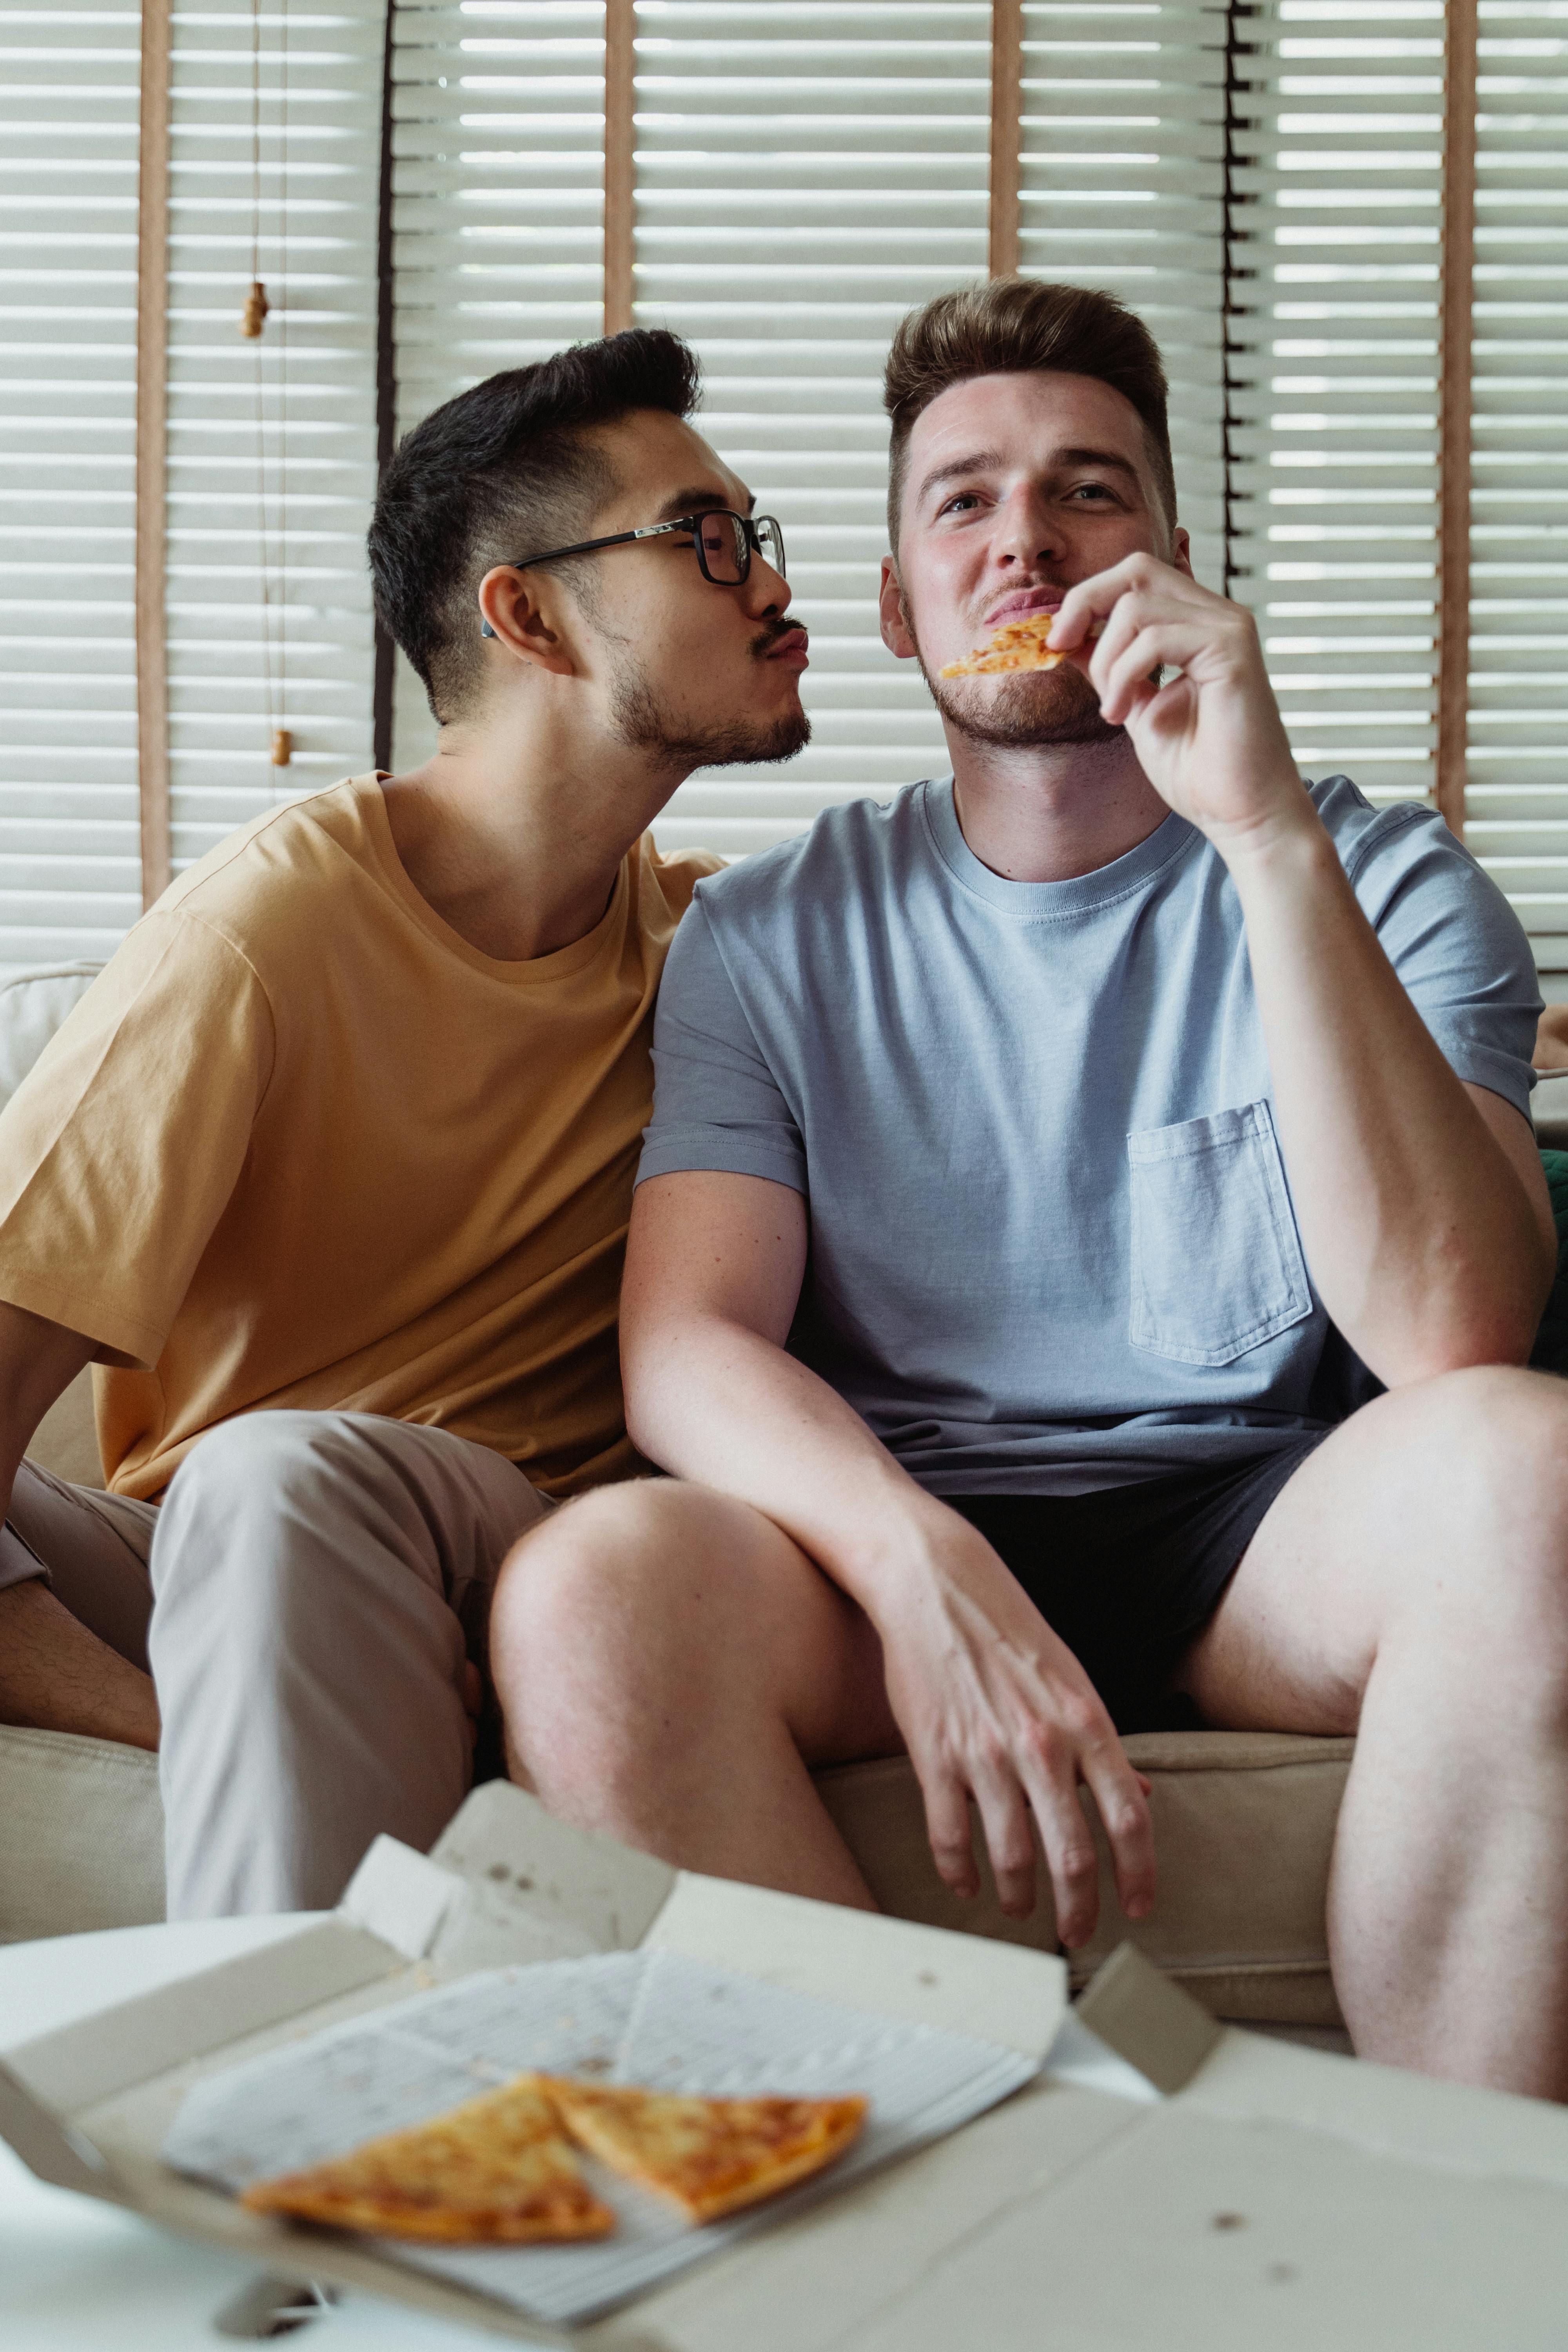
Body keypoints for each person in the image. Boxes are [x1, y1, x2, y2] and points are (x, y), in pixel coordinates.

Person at [490, 279, 1568, 2100]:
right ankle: (921, 2231)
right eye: (963, 500)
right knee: (587, 1587)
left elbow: (1450, 1335)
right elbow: (685, 1345)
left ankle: (1445, 2237)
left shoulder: (1382, 878)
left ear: (1170, 555)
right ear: (899, 604)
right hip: (896, 1530)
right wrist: (920, 1569)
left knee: (1532, 1459)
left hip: (1266, 1536)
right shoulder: (762, 936)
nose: (1026, 542)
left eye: (1088, 490)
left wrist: (1265, 830)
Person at [0, 327, 809, 1915]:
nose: (773, 587)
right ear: (528, 616)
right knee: (261, 1487)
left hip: (506, 1551)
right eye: (706, 541)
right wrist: (184, 1721)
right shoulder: (260, 936)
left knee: (280, 1479)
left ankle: (279, 2116)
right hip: (219, 1571)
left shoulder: (729, 952)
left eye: (757, 538)